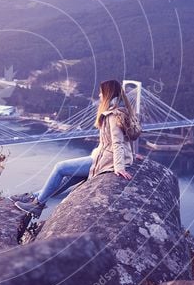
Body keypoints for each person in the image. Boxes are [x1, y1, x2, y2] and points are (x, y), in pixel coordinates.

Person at [13, 79, 136, 217]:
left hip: (105, 160)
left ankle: (38, 204)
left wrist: (119, 167)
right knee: (68, 178)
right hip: (102, 156)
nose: (99, 96)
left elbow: (117, 142)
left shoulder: (112, 116)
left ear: (108, 94)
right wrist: (130, 155)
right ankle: (33, 197)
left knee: (60, 167)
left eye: (101, 93)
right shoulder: (122, 111)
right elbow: (127, 137)